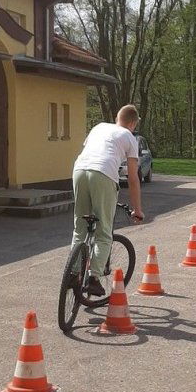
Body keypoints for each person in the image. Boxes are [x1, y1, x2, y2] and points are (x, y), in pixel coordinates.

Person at [71, 104, 145, 296]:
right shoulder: (130, 137)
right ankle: (94, 278)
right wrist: (137, 209)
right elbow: (133, 177)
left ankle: (73, 273)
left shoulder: (99, 127)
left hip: (79, 170)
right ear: (133, 123)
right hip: (103, 174)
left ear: (116, 118)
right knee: (104, 231)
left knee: (80, 228)